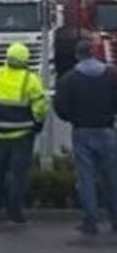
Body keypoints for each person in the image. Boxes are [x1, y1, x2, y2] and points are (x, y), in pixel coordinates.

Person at [54, 38, 117, 235]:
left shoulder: (69, 78)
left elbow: (60, 107)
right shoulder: (111, 75)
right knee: (112, 177)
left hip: (82, 131)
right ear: (94, 53)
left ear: (77, 55)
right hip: (107, 130)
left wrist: (73, 117)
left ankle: (90, 221)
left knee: (86, 178)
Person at [0, 42, 48, 224]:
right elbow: (40, 106)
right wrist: (38, 122)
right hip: (23, 133)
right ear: (25, 59)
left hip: (0, 132)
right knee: (18, 174)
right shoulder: (30, 79)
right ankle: (15, 213)